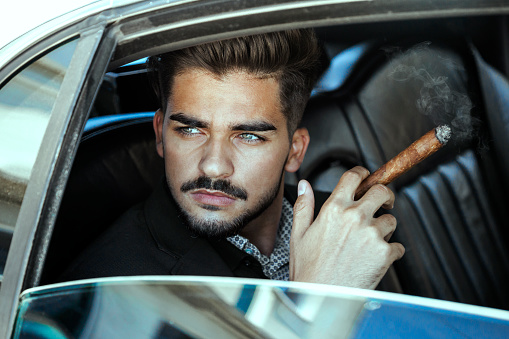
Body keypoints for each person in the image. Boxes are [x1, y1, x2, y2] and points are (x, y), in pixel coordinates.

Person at [61, 29, 404, 289]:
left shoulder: (350, 232)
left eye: (249, 136)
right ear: (160, 134)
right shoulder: (112, 286)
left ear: (295, 150)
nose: (212, 165)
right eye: (191, 130)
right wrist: (317, 303)